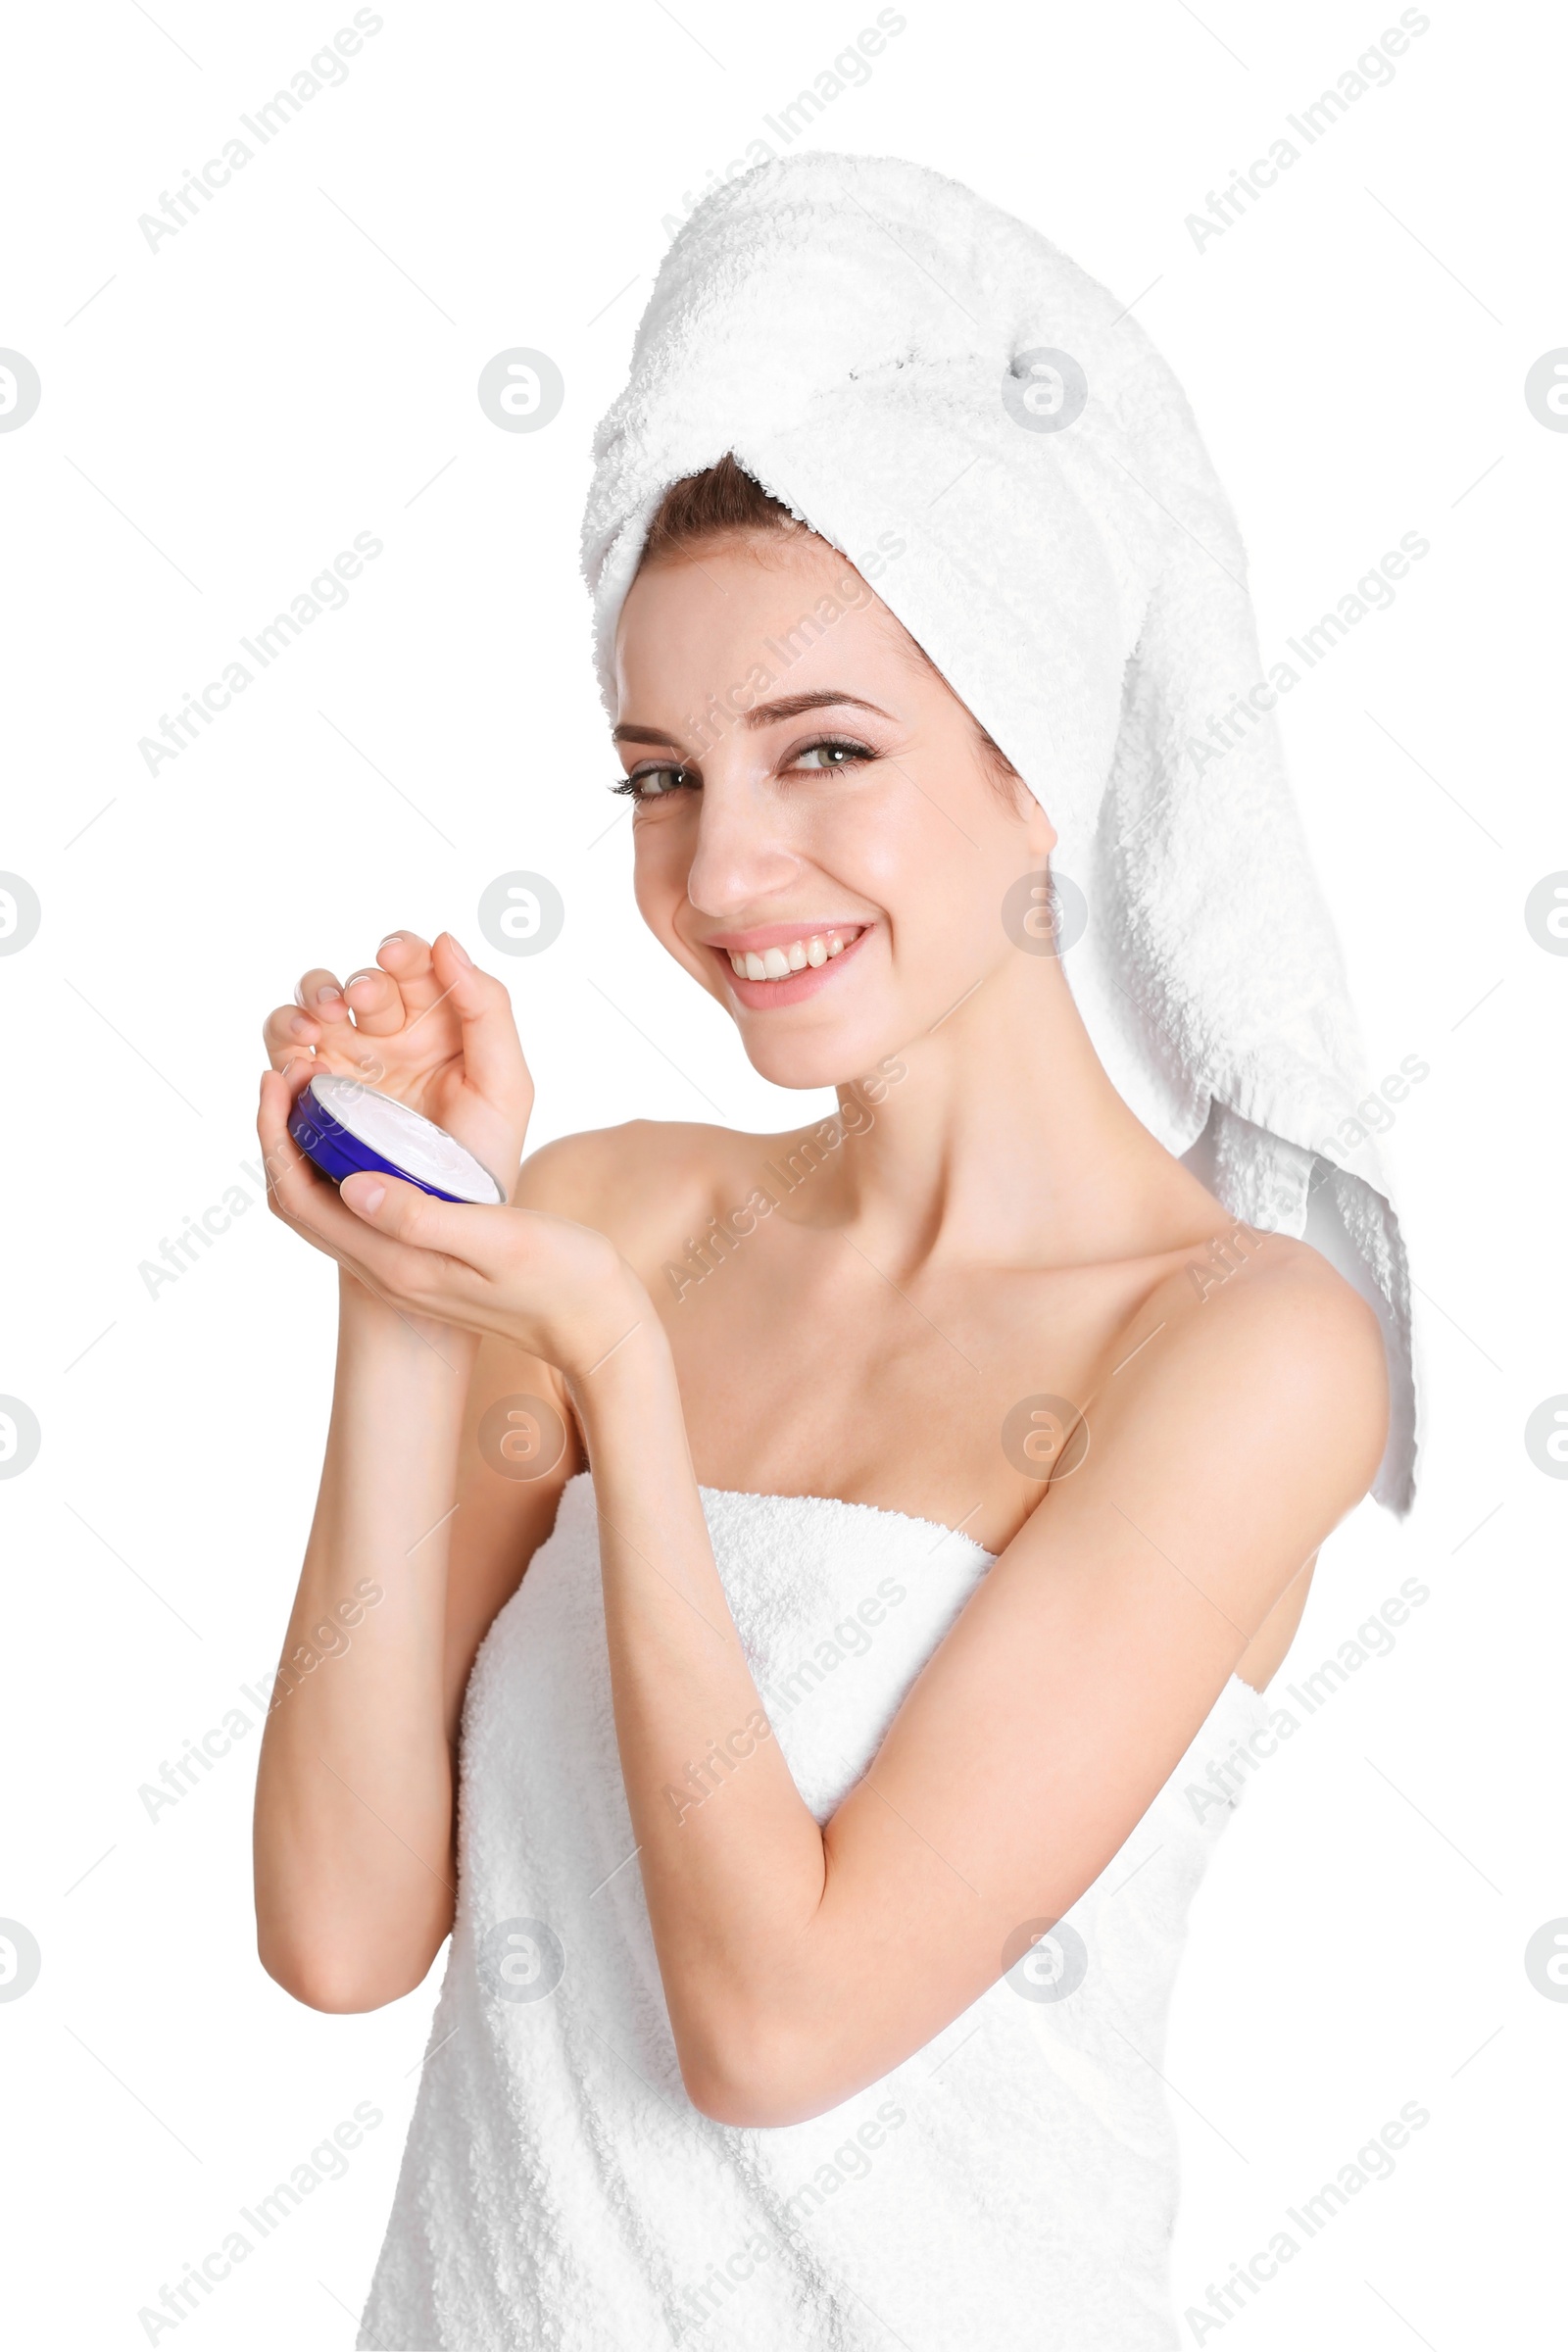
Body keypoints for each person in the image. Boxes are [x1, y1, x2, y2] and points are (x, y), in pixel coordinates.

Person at [252, 155, 1413, 2350]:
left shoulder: (1242, 1352)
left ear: (1031, 766)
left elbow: (772, 2024)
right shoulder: (612, 1209)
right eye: (658, 776)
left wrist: (606, 1362)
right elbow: (336, 1927)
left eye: (825, 753)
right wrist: (411, 1279)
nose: (723, 867)